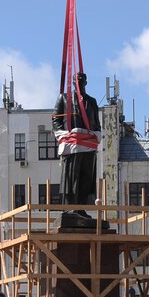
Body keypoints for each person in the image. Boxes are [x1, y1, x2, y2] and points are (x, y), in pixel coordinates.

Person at [52, 71, 101, 217]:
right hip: (72, 144)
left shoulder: (91, 101)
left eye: (81, 80)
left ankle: (81, 207)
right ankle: (70, 207)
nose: (79, 82)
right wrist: (63, 134)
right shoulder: (64, 98)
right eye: (76, 80)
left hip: (88, 144)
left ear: (85, 82)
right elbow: (56, 119)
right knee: (72, 176)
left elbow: (96, 122)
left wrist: (96, 133)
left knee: (86, 176)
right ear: (73, 83)